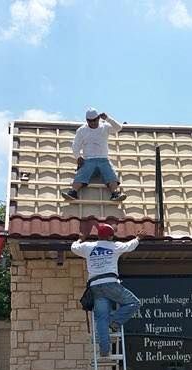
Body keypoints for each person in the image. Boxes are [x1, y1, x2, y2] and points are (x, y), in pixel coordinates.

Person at [71, 223, 141, 356]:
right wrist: (138, 238)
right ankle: (114, 321)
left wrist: (80, 239)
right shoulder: (114, 246)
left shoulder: (88, 247)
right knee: (134, 303)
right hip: (110, 283)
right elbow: (130, 246)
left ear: (98, 235)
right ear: (110, 236)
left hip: (95, 286)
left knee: (101, 318)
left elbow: (74, 248)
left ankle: (104, 350)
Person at [62, 108, 127, 202]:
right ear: (87, 120)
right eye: (90, 121)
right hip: (89, 159)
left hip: (103, 159)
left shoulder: (104, 127)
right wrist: (78, 157)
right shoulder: (82, 130)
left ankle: (115, 193)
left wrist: (108, 118)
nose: (92, 123)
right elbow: (75, 145)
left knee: (111, 174)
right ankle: (73, 192)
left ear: (98, 118)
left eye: (94, 120)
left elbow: (118, 128)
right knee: (82, 174)